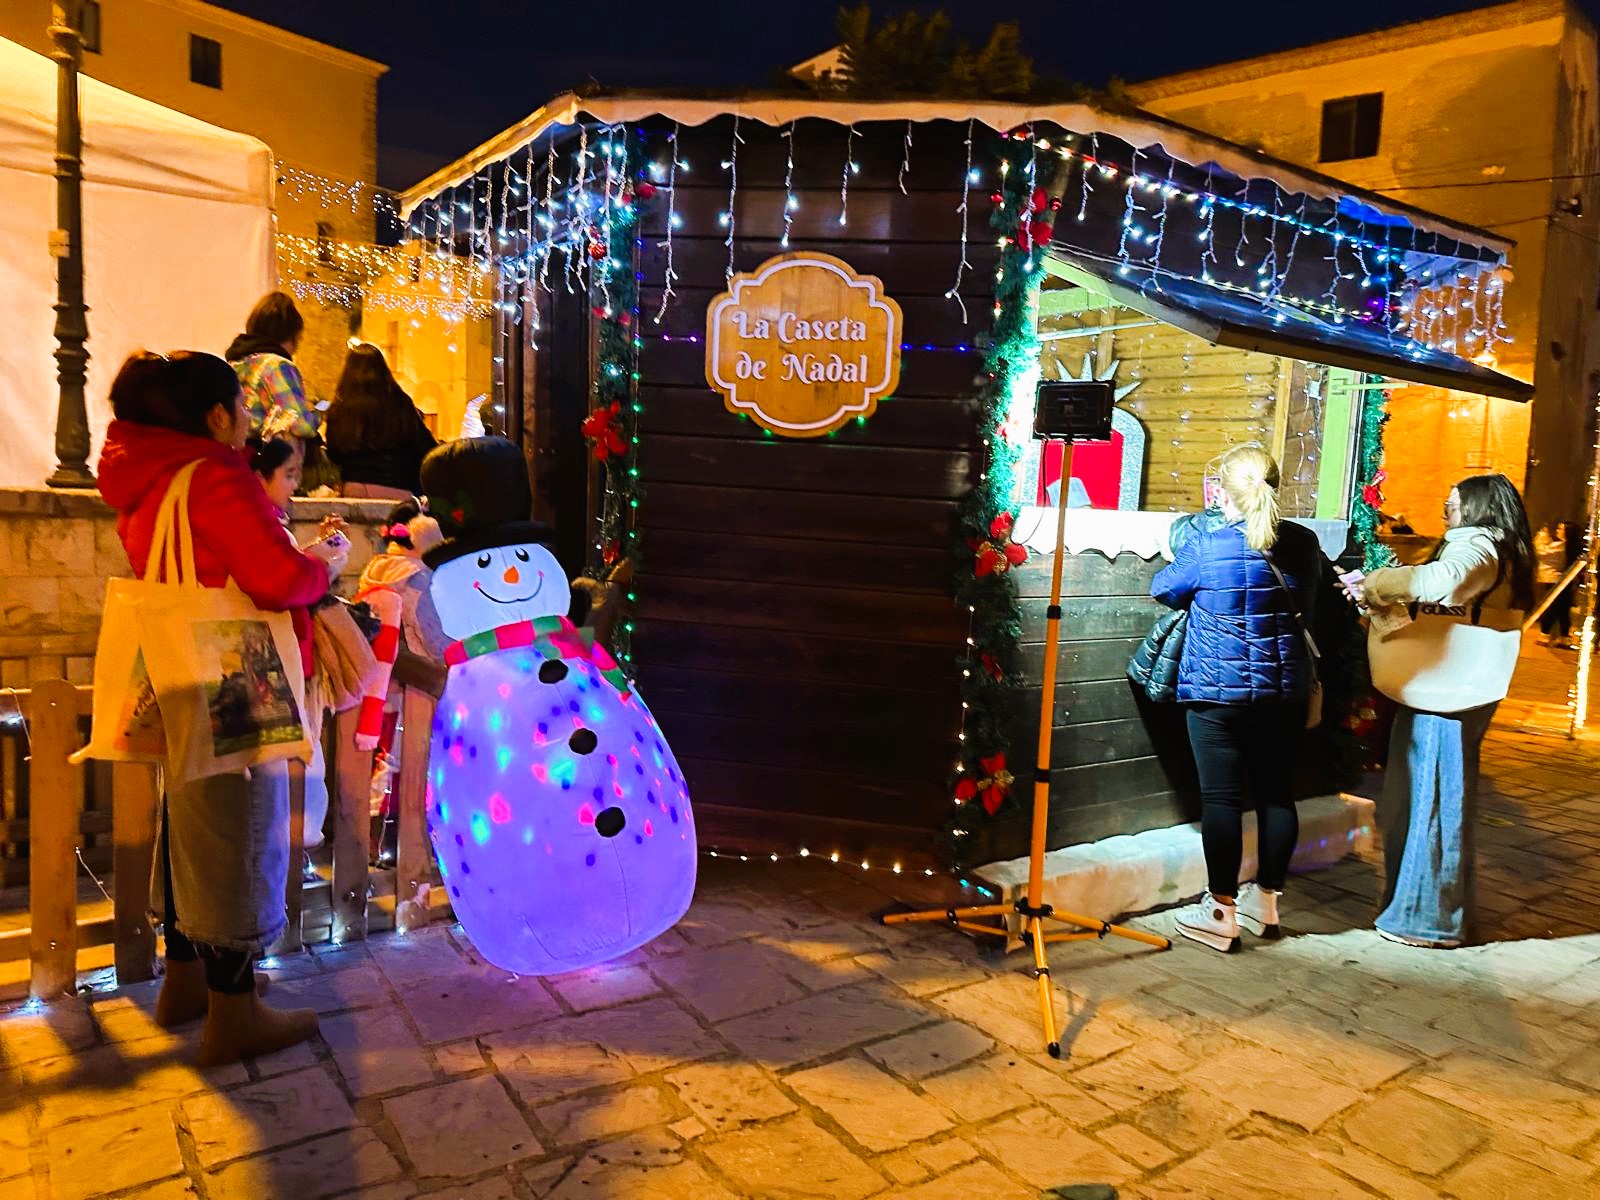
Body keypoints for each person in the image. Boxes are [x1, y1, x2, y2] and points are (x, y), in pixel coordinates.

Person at [97, 350, 348, 1065]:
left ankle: (184, 984)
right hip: (234, 674)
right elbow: (271, 579)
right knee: (239, 829)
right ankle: (234, 1013)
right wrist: (317, 569)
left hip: (175, 670)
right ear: (215, 416)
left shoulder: (150, 478)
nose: (249, 418)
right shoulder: (212, 475)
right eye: (241, 405)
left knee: (193, 821)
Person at [1151, 445, 1328, 952]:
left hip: (1217, 693)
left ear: (1222, 493)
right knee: (1277, 795)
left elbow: (1163, 588)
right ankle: (1267, 906)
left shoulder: (1208, 544)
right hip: (1285, 692)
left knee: (1222, 802)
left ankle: (1221, 911)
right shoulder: (1304, 543)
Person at [1347, 474, 1534, 948]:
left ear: (1477, 508)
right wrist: (1377, 598)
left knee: (1428, 798)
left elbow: (1439, 584)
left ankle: (1425, 919)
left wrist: (1378, 581)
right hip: (1455, 688)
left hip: (1446, 693)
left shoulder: (1478, 545)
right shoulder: (1502, 549)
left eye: (1452, 503)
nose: (1444, 509)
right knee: (1428, 797)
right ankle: (1428, 912)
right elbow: (1446, 609)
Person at [324, 344, 437, 501]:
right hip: (397, 488)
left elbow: (334, 452)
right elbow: (427, 448)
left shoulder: (339, 409)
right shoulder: (400, 404)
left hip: (353, 489)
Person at [226, 292, 319, 440]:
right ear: (291, 335)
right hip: (269, 459)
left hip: (238, 455)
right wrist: (314, 413)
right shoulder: (277, 366)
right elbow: (301, 426)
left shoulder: (235, 364)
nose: (295, 350)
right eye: (298, 340)